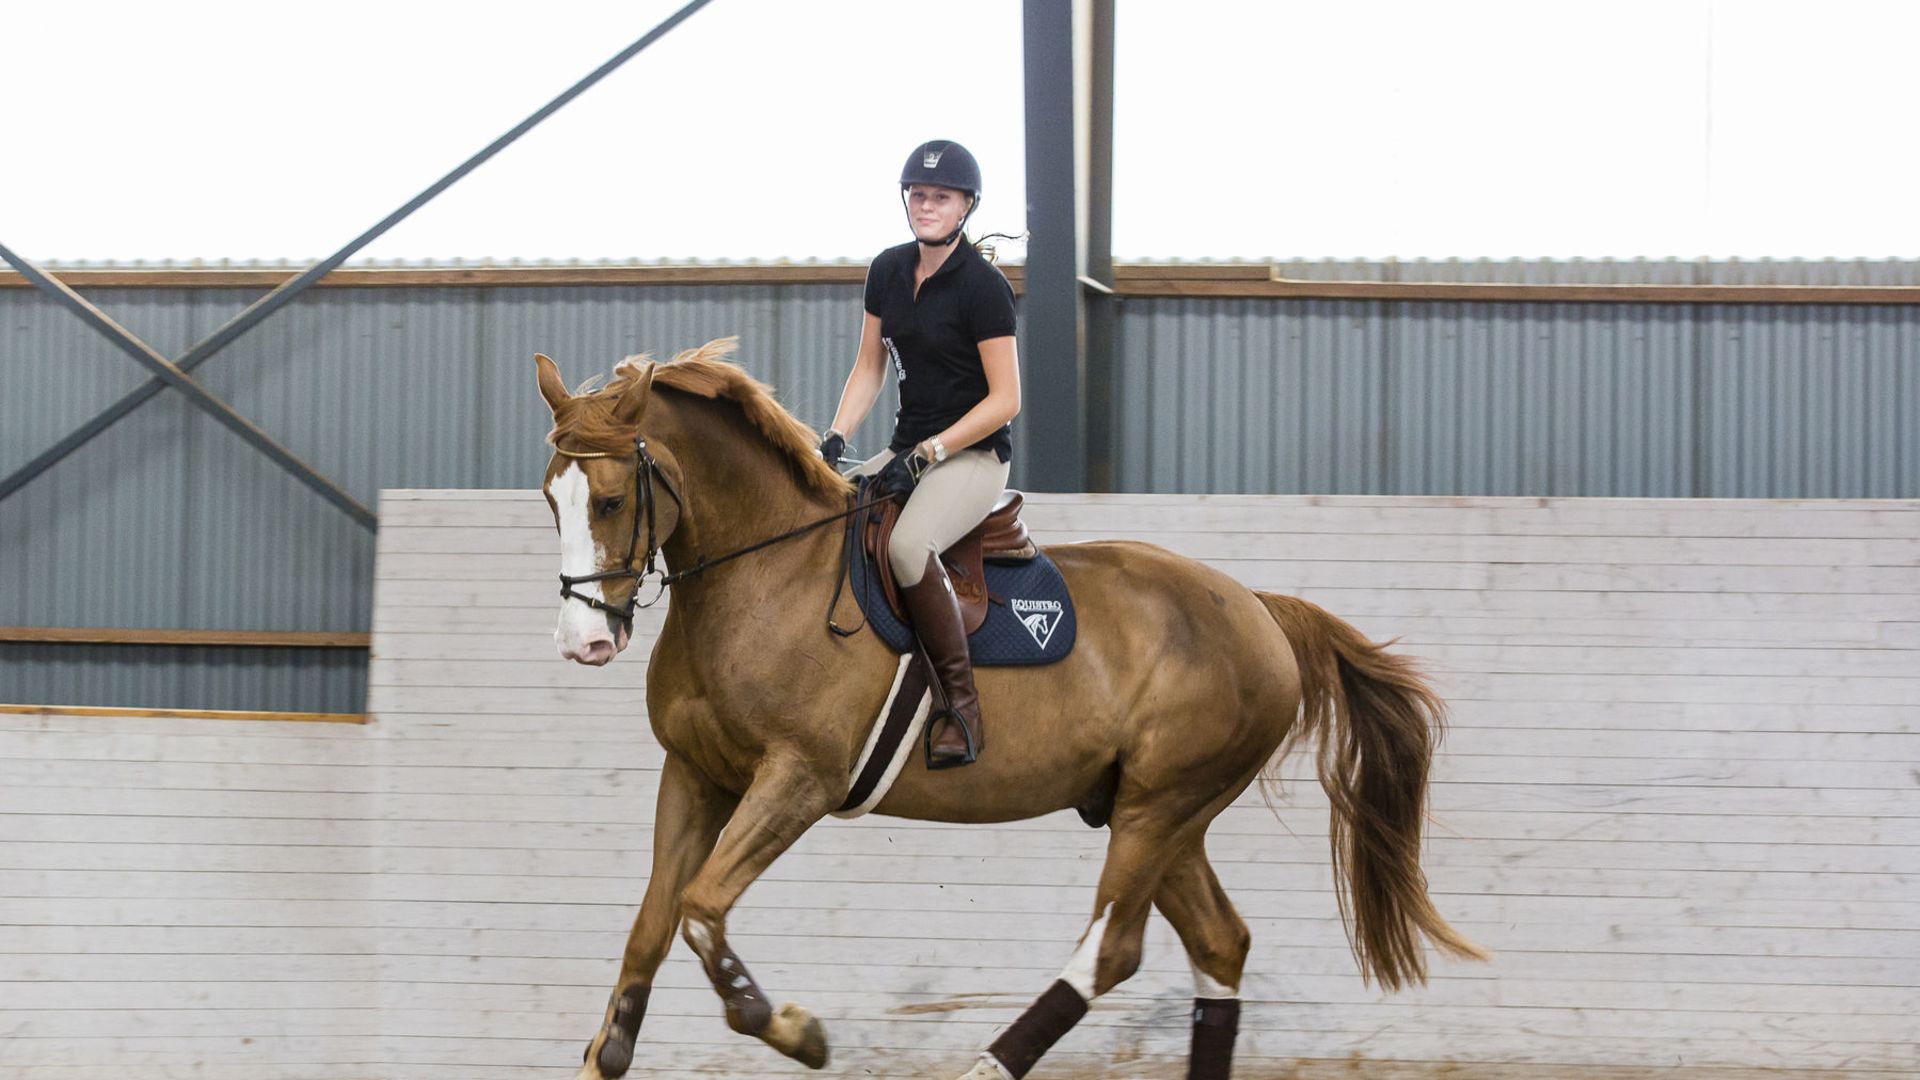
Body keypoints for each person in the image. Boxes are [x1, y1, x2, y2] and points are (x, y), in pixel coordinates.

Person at [818, 139, 1020, 770]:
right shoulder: (887, 270)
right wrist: (835, 438)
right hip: (906, 449)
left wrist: (933, 450)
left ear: (965, 206)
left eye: (941, 197)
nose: (926, 206)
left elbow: (1006, 399)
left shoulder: (984, 288)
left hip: (972, 456)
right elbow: (869, 367)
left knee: (907, 547)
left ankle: (960, 705)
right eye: (918, 195)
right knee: (826, 511)